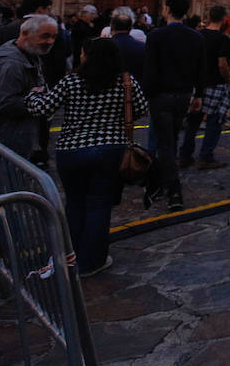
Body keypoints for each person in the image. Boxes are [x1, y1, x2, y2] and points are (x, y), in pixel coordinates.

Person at [27, 37, 147, 277]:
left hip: (72, 150)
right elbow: (141, 110)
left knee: (75, 203)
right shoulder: (125, 82)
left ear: (88, 56)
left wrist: (32, 94)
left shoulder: (72, 81)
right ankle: (92, 261)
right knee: (99, 205)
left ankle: (69, 256)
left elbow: (42, 108)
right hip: (111, 149)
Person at [143, 0, 206, 211]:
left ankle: (172, 189)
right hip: (184, 96)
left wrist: (147, 95)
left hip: (160, 97)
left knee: (165, 144)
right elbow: (200, 69)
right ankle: (163, 181)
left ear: (167, 9)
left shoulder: (155, 36)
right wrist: (198, 95)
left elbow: (150, 70)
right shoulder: (196, 37)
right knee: (172, 140)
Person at [0, 14, 59, 155]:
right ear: (25, 34)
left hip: (15, 137)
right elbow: (1, 103)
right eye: (45, 36)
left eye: (54, 37)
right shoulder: (9, 65)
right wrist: (38, 100)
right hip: (3, 140)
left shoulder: (31, 56)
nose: (50, 41)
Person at [183, 5, 230, 171]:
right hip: (215, 83)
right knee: (214, 121)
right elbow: (222, 63)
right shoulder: (223, 40)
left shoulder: (197, 35)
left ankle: (185, 154)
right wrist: (228, 79)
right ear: (223, 20)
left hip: (198, 83)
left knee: (193, 121)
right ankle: (206, 156)